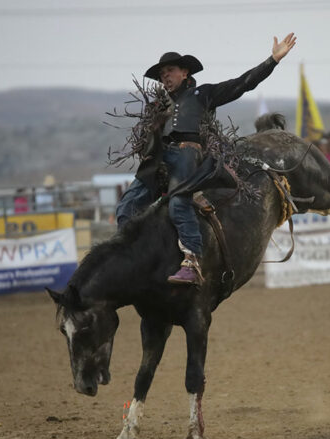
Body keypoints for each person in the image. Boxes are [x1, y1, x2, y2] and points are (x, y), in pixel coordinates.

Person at [115, 32, 297, 285]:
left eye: (169, 70)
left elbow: (242, 83)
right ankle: (129, 259)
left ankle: (193, 263)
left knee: (179, 203)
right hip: (159, 161)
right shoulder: (158, 106)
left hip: (188, 156)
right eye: (162, 74)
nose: (164, 76)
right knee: (127, 206)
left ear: (185, 73)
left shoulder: (203, 95)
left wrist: (272, 60)